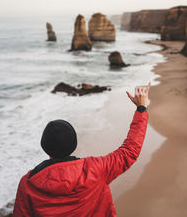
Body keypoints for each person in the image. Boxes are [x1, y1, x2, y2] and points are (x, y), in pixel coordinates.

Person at [13, 83, 150, 217]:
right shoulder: (96, 170)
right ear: (74, 144)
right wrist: (141, 109)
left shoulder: (28, 184)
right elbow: (130, 151)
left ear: (45, 147)